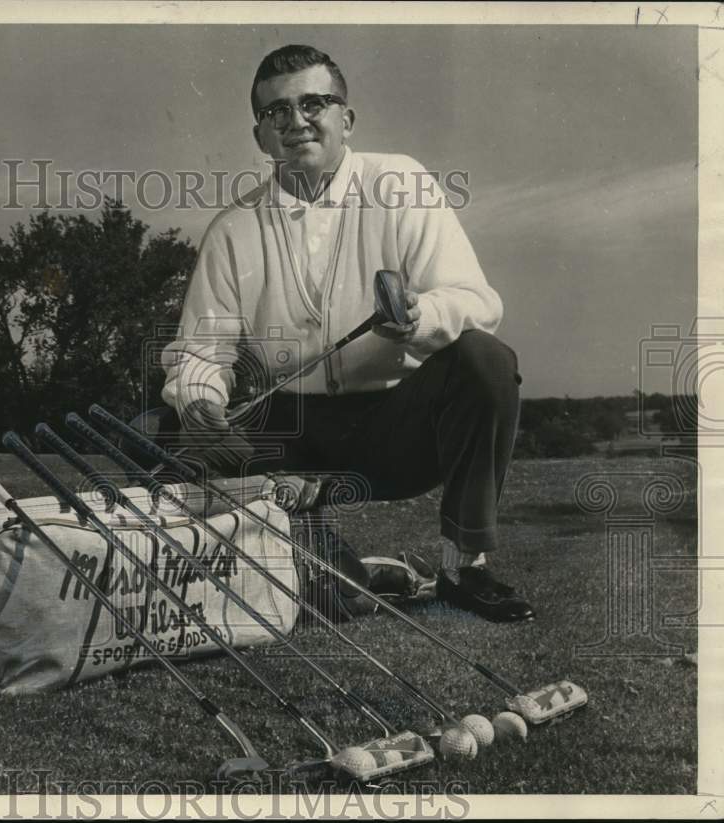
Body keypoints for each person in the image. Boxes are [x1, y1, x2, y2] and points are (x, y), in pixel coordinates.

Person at [145, 44, 533, 623]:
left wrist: (416, 317)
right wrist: (202, 401)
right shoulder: (232, 229)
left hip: (393, 433)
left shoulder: (401, 181)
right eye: (277, 111)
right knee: (177, 423)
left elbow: (476, 303)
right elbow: (202, 349)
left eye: (313, 103)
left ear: (345, 119)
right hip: (287, 436)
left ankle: (464, 567)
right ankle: (324, 556)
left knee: (486, 360)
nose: (296, 121)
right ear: (260, 136)